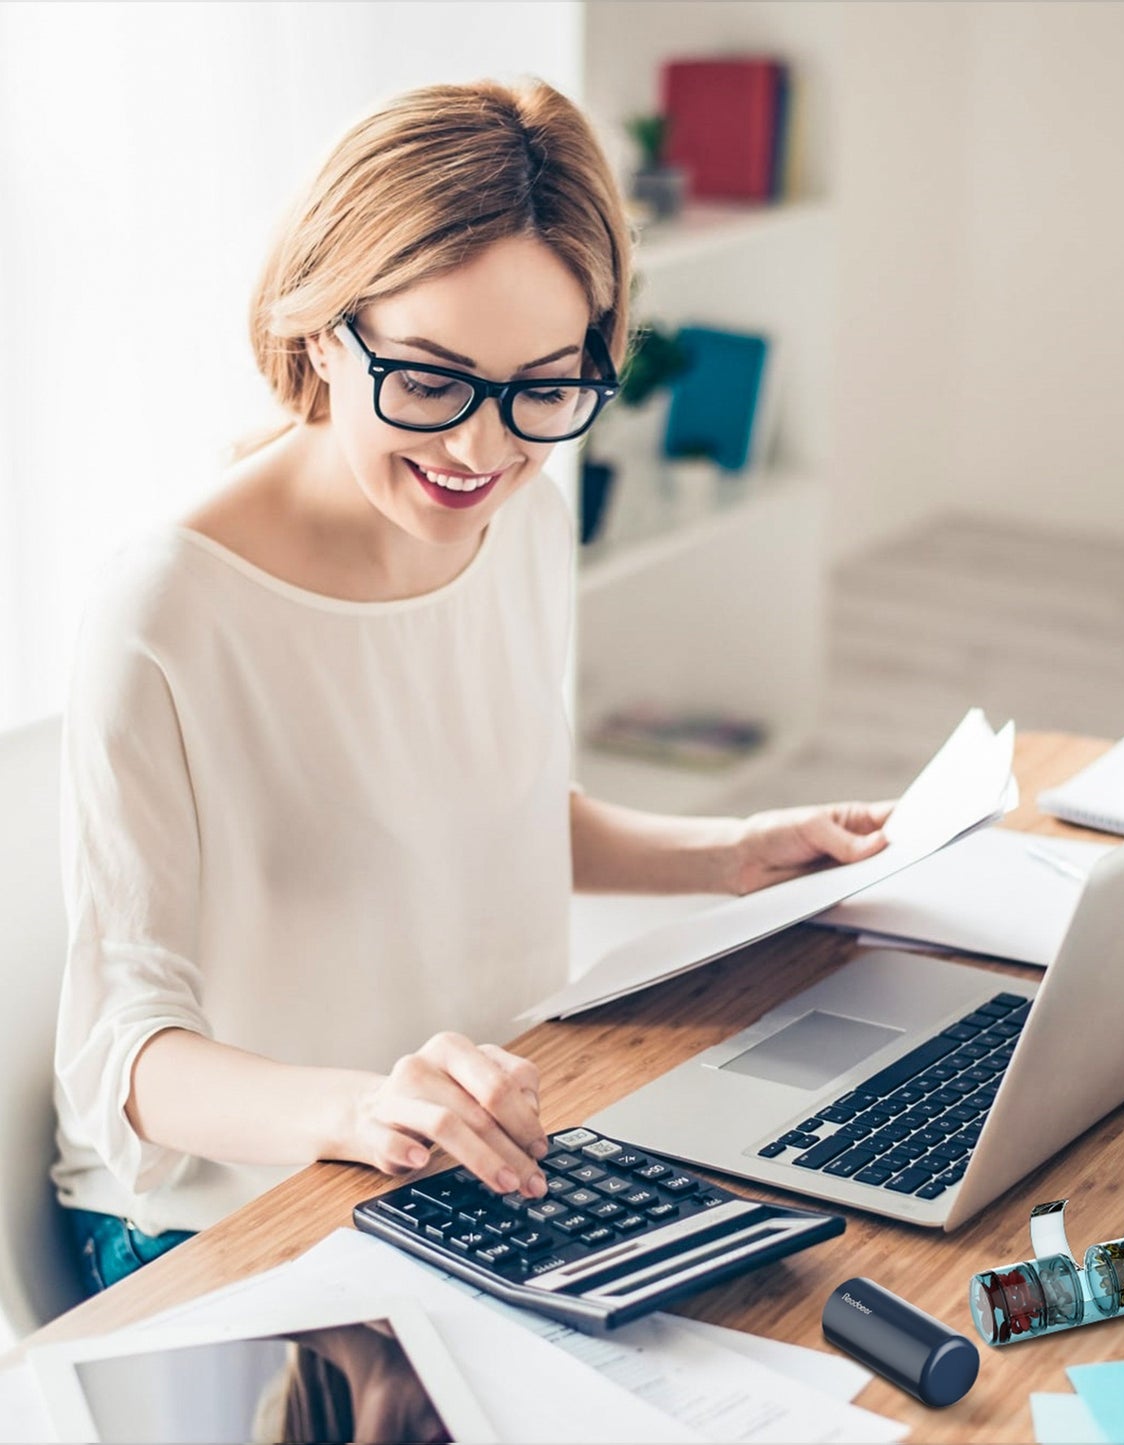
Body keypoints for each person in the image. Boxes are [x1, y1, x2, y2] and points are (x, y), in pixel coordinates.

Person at [52, 77, 892, 1294]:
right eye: (432, 381)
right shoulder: (170, 605)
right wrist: (364, 1107)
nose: (481, 449)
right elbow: (120, 1055)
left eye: (543, 388)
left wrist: (731, 852)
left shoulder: (523, 521)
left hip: (476, 1176)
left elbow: (487, 813)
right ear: (321, 328)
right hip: (228, 1226)